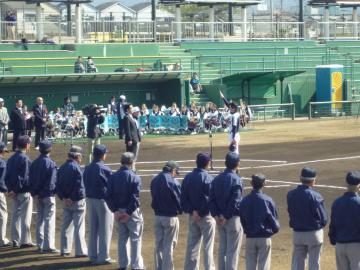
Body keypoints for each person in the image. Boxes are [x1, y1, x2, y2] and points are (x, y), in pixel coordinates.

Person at [106, 152, 145, 270]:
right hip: (131, 212)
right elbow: (135, 198)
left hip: (118, 211)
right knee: (135, 239)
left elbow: (108, 196)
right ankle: (136, 265)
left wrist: (115, 211)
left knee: (122, 239)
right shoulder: (135, 177)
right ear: (132, 163)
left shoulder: (113, 177)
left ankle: (123, 264)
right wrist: (128, 213)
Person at [287, 167, 328, 270]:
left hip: (298, 234)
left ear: (300, 178)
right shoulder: (316, 196)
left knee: (297, 264)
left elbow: (290, 211)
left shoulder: (291, 194)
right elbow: (323, 219)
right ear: (313, 180)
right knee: (314, 264)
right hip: (314, 234)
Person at [209, 152, 243, 270]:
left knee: (222, 249)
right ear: (237, 164)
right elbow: (235, 201)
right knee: (232, 252)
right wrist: (226, 216)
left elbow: (211, 199)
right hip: (232, 219)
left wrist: (217, 215)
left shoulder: (216, 179)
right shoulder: (236, 179)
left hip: (219, 220)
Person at [181, 152, 216, 270]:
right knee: (208, 247)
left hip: (192, 217)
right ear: (207, 163)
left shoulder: (187, 177)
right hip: (206, 217)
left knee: (192, 246)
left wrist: (193, 211)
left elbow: (183, 198)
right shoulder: (208, 178)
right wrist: (200, 212)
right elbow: (209, 200)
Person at [239, 174, 280, 270]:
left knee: (250, 265)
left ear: (251, 183)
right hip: (264, 237)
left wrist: (247, 230)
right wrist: (272, 231)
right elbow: (274, 220)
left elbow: (242, 219)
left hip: (250, 237)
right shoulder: (268, 200)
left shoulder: (244, 200)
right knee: (264, 265)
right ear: (264, 184)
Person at [83, 144, 114, 265]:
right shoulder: (104, 169)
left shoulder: (88, 167)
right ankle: (103, 257)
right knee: (105, 229)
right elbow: (110, 186)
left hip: (89, 200)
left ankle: (92, 255)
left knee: (93, 228)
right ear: (102, 155)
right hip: (102, 201)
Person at [57, 146, 88, 257]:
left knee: (66, 226)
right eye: (81, 156)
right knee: (79, 226)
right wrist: (72, 198)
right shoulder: (77, 168)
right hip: (77, 202)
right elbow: (79, 187)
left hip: (66, 202)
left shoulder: (62, 168)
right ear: (77, 156)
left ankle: (64, 249)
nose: (81, 159)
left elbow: (58, 186)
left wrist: (64, 198)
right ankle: (80, 251)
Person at [150, 161, 182, 270]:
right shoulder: (174, 182)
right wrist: (180, 210)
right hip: (170, 217)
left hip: (158, 216)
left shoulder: (154, 180)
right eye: (176, 172)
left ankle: (159, 267)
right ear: (173, 170)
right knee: (169, 245)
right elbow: (178, 199)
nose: (176, 175)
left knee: (158, 244)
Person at [4, 135, 33, 248]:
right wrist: (15, 190)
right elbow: (24, 177)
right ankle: (25, 241)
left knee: (15, 216)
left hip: (13, 192)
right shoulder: (25, 159)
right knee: (25, 216)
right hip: (23, 191)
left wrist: (10, 190)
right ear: (26, 145)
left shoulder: (11, 158)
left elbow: (6, 176)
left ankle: (15, 240)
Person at [29, 140, 58, 253]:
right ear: (49, 150)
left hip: (37, 196)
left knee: (40, 219)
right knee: (48, 220)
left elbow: (30, 180)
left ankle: (40, 244)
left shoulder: (34, 163)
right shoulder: (51, 163)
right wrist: (43, 194)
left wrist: (36, 194)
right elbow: (51, 184)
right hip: (47, 196)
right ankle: (48, 245)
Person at [328, 171, 360, 270]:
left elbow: (332, 224)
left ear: (346, 184)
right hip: (356, 245)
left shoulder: (337, 202)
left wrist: (334, 240)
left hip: (340, 244)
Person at [123, 103, 141, 170]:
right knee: (131, 156)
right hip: (132, 139)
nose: (132, 109)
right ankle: (132, 169)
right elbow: (127, 130)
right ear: (127, 109)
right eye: (131, 108)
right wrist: (129, 139)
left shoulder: (131, 116)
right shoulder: (127, 117)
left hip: (135, 139)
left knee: (134, 155)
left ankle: (132, 168)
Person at [0, 142, 10, 247]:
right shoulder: (2, 163)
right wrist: (5, 190)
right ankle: (1, 239)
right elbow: (1, 181)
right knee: (3, 215)